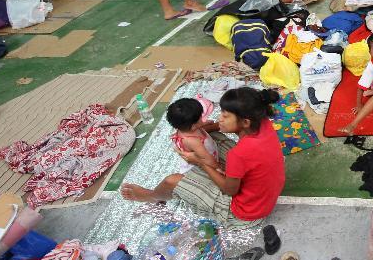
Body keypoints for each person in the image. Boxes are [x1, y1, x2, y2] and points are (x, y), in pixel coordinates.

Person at [122, 87, 285, 229]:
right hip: (265, 196)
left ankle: (152, 196)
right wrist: (207, 128)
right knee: (212, 136)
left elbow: (230, 190)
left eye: (225, 116)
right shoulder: (263, 122)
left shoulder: (239, 154)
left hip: (245, 214)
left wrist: (200, 162)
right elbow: (217, 131)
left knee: (171, 180)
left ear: (245, 122)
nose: (219, 118)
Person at [165, 97, 218, 174]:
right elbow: (208, 159)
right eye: (200, 117)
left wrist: (204, 123)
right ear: (194, 125)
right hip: (198, 167)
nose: (202, 118)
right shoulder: (193, 141)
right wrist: (218, 167)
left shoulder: (187, 127)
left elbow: (198, 125)